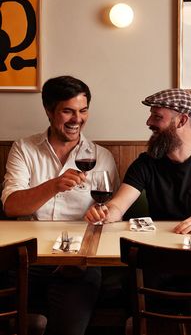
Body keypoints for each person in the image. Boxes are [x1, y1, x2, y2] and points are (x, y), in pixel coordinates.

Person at [85, 87, 191, 314]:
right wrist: (104, 213)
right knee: (134, 288)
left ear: (182, 120)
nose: (149, 122)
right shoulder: (146, 163)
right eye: (151, 115)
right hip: (158, 256)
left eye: (157, 117)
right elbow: (118, 205)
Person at [1, 75, 120, 335]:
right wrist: (53, 185)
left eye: (83, 110)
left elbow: (112, 215)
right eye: (68, 111)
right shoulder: (24, 149)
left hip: (77, 264)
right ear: (48, 111)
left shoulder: (102, 157)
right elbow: (11, 206)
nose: (77, 119)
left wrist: (102, 214)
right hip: (27, 260)